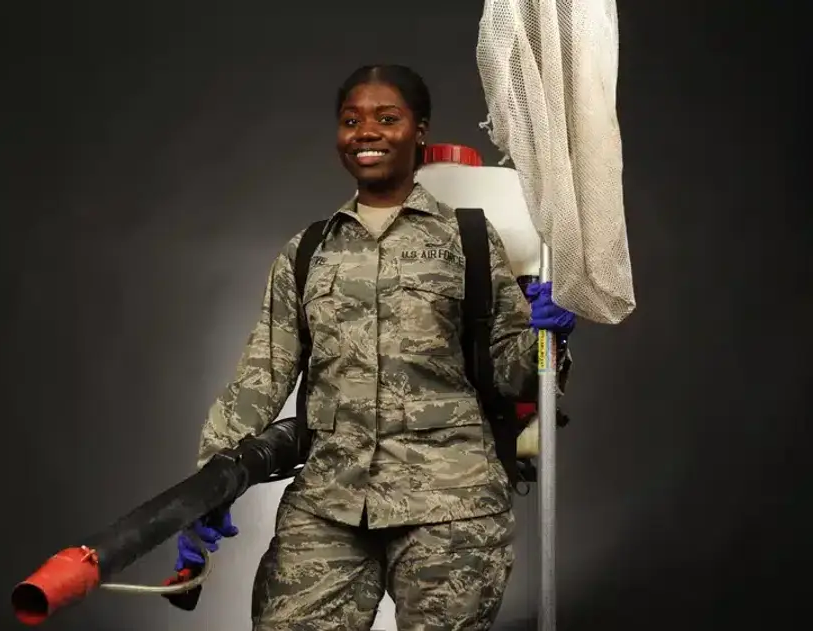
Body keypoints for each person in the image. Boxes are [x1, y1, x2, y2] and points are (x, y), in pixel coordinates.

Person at [174, 64, 576, 630]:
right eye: (351, 120)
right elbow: (259, 377)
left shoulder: (468, 238)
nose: (366, 132)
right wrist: (207, 483)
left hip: (450, 499)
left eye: (388, 118)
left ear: (420, 132)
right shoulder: (308, 250)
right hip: (331, 498)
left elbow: (514, 373)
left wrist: (547, 337)